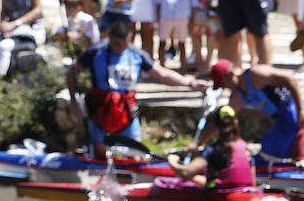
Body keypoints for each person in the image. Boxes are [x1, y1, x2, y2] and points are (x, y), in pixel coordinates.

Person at [66, 18, 206, 159]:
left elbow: (162, 74)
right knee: (100, 153)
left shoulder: (137, 54)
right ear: (110, 38)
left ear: (130, 38)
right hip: (100, 111)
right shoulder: (96, 51)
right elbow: (71, 72)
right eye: (116, 44)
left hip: (126, 111)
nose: (119, 48)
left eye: (123, 44)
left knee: (136, 153)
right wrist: (74, 101)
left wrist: (190, 84)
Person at [209, 57, 304, 163]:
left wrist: (301, 110)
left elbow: (291, 79)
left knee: (296, 161)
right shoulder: (237, 95)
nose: (224, 88)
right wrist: (199, 143)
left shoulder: (257, 74)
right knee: (266, 153)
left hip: (296, 115)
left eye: (223, 84)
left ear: (231, 75)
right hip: (281, 121)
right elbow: (224, 122)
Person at [167, 105, 256, 188]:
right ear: (236, 122)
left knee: (190, 177)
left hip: (224, 192)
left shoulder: (213, 149)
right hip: (247, 192)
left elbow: (186, 172)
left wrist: (172, 161)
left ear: (215, 127)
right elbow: (253, 182)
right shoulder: (245, 148)